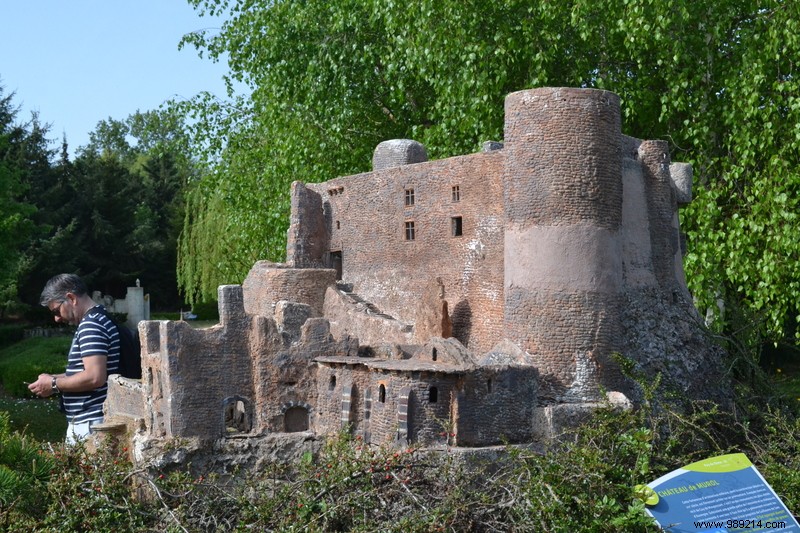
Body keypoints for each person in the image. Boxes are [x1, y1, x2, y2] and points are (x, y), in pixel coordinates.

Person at [28, 274, 121, 444]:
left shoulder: (91, 325)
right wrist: (52, 379)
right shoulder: (100, 318)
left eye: (56, 311)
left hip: (90, 423)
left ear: (71, 298)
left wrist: (54, 384)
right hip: (91, 420)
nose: (56, 318)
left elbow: (94, 377)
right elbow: (87, 372)